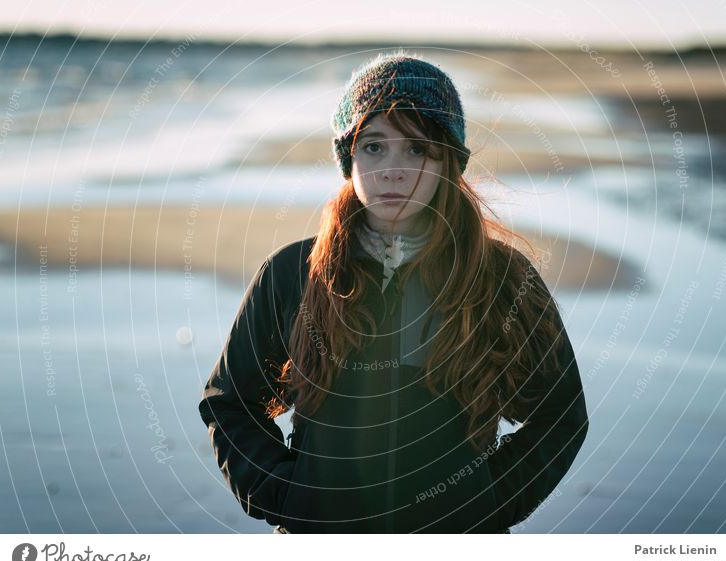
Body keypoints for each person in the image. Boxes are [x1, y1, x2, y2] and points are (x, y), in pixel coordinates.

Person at [198, 51, 589, 534]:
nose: (393, 170)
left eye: (417, 149)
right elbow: (230, 400)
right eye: (374, 147)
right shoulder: (293, 273)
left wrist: (489, 502)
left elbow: (560, 414)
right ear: (349, 157)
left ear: (449, 160)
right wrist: (284, 495)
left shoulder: (501, 276)